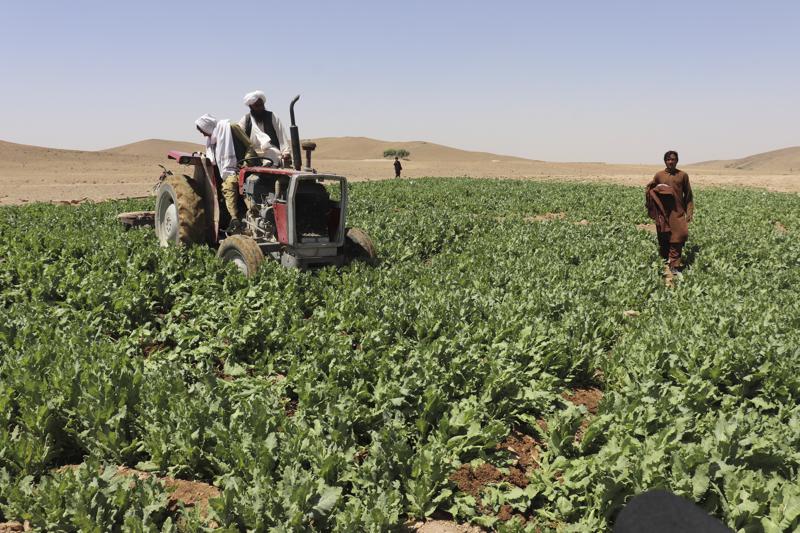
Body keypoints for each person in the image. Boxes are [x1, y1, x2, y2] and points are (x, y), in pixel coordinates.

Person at [195, 114, 252, 223]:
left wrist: (246, 163)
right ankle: (235, 219)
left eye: (203, 131)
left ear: (207, 127)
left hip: (242, 168)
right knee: (228, 185)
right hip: (227, 172)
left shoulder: (231, 127)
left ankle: (237, 218)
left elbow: (250, 146)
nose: (203, 135)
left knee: (230, 185)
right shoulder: (213, 141)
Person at [645, 150, 694, 275]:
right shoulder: (659, 175)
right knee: (664, 236)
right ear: (665, 161)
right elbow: (651, 191)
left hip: (677, 212)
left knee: (679, 236)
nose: (671, 162)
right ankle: (665, 259)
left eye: (673, 159)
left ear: (677, 161)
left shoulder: (683, 175)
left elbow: (688, 195)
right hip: (663, 213)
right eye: (668, 159)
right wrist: (652, 208)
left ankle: (674, 264)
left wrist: (689, 212)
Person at [238, 90, 292, 167]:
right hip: (252, 152)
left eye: (261, 105)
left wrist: (286, 152)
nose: (260, 108)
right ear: (251, 107)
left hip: (270, 150)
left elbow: (281, 134)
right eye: (257, 106)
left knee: (272, 153)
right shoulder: (245, 120)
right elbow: (239, 137)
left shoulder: (272, 116)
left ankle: (266, 171)